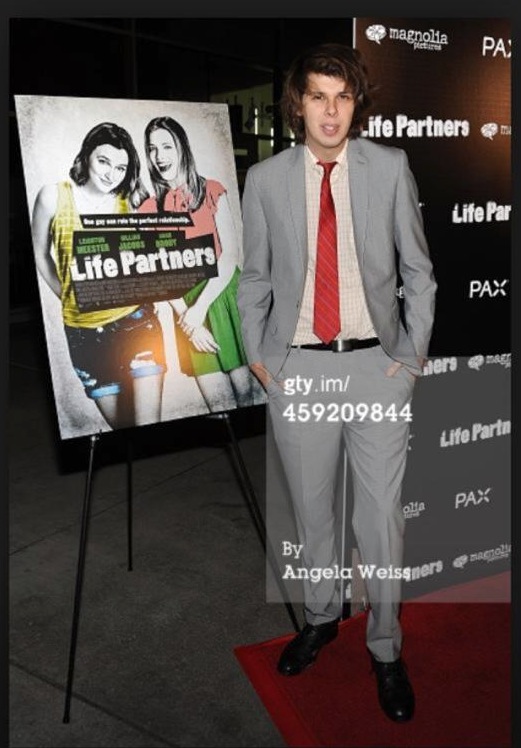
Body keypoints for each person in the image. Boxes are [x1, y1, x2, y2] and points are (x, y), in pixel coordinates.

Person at [237, 43, 436, 722]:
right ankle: (322, 616)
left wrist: (409, 359)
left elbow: (418, 271)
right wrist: (260, 356)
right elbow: (254, 276)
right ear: (297, 104)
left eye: (342, 96)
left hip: (375, 365)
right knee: (313, 512)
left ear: (357, 102)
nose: (329, 111)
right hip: (298, 369)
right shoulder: (264, 180)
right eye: (317, 96)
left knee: (379, 519)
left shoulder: (388, 167)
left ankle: (384, 646)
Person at [31, 122, 166, 430]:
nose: (111, 174)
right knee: (124, 429)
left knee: (148, 428)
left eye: (121, 167)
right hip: (85, 335)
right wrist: (67, 294)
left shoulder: (129, 201)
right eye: (103, 161)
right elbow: (40, 253)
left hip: (137, 322)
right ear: (86, 156)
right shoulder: (53, 196)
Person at [139, 116, 258, 412]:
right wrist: (188, 320)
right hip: (185, 304)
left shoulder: (211, 190)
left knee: (248, 394)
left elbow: (229, 255)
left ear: (182, 148)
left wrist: (200, 309)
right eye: (152, 149)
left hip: (224, 293)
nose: (159, 156)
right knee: (219, 403)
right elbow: (160, 273)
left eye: (167, 146)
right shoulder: (149, 207)